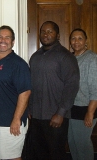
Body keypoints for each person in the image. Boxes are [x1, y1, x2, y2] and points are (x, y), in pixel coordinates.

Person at [28, 21, 80, 160]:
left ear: (57, 35)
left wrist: (61, 112)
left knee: (56, 154)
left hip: (55, 117)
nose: (46, 34)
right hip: (37, 116)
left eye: (50, 31)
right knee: (39, 153)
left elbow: (72, 85)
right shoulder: (35, 57)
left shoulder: (66, 56)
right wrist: (30, 108)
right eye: (43, 31)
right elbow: (32, 85)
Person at [0, 25, 31, 160]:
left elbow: (25, 93)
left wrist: (16, 119)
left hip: (10, 122)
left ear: (13, 42)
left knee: (12, 157)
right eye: (0, 37)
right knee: (0, 154)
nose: (3, 40)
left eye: (7, 37)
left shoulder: (19, 64)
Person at [68, 28, 97, 160]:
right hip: (72, 108)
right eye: (73, 38)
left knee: (82, 144)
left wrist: (90, 113)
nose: (76, 41)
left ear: (85, 41)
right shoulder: (71, 58)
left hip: (86, 108)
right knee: (73, 143)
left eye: (80, 38)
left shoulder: (92, 59)